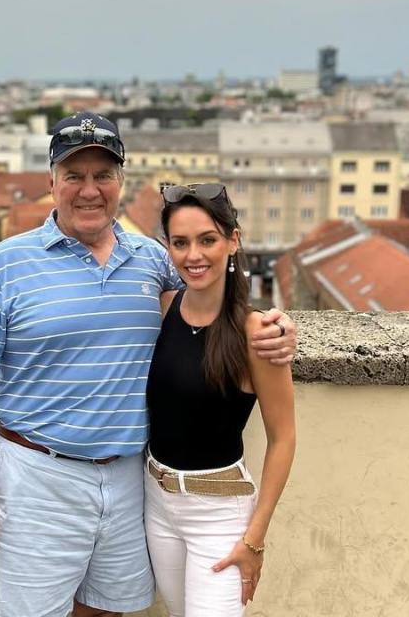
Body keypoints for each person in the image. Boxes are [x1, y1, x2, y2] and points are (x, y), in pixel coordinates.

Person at [0, 113, 297, 617]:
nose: (90, 190)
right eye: (74, 176)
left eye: (103, 175)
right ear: (51, 183)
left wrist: (271, 327)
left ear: (121, 182)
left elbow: (201, 320)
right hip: (39, 478)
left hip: (132, 481)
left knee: (108, 610)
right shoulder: (4, 266)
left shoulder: (151, 260)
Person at [144, 182, 296, 616]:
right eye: (181, 242)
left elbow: (283, 438)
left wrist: (255, 539)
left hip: (219, 516)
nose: (194, 255)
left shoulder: (258, 335)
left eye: (207, 240)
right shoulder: (165, 308)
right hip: (155, 502)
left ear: (233, 240)